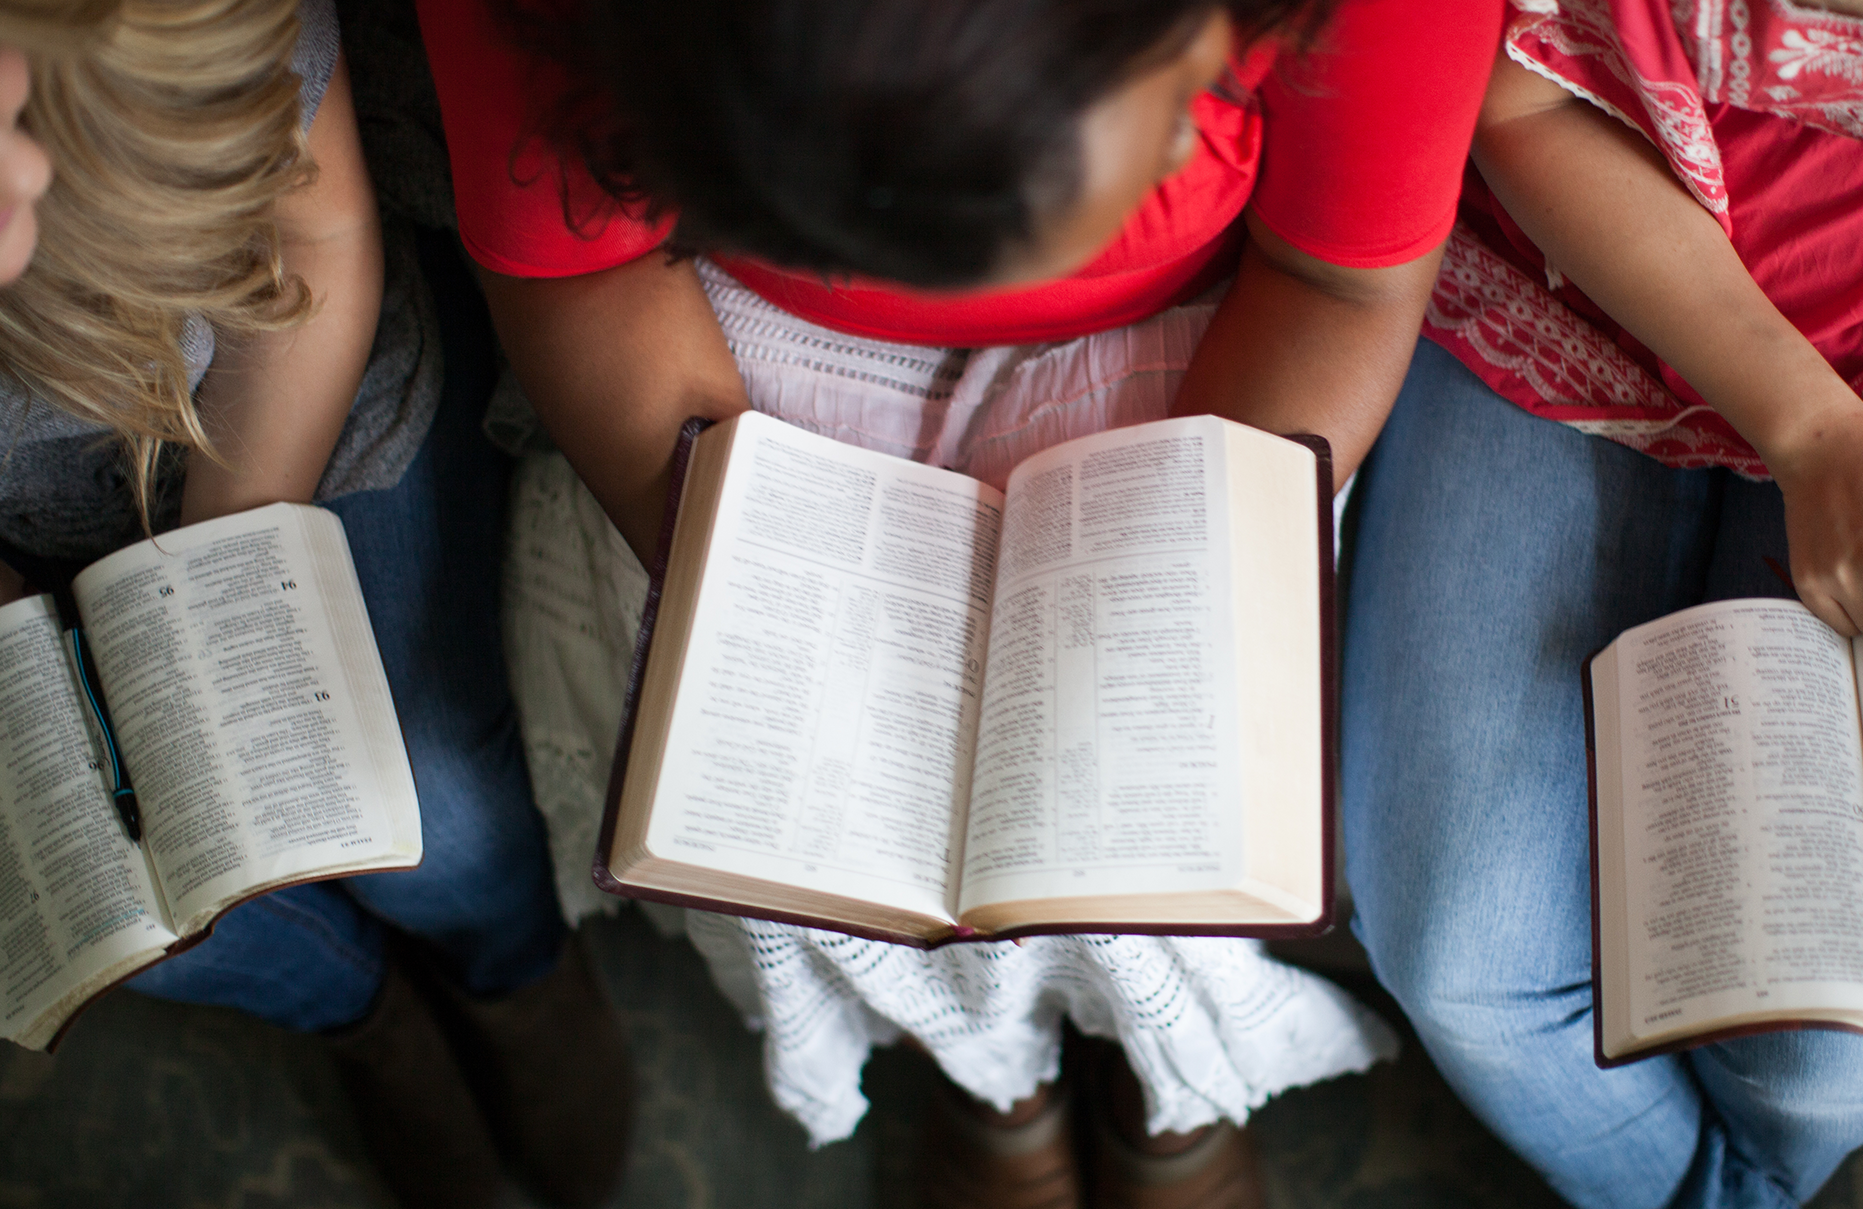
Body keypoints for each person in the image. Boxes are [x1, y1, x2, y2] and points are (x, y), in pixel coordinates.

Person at [412, 0, 1497, 1202]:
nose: (1196, 136)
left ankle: (1164, 1076)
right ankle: (993, 1077)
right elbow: (582, 269)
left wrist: (1167, 592)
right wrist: (771, 585)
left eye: (1203, 84)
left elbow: (1338, 281)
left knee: (1173, 799)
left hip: (1225, 355)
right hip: (722, 362)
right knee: (805, 814)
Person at [1340, 0, 1863, 1204]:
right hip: (1568, 288)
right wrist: (1806, 427)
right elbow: (1518, 89)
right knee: (1465, 969)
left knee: (1826, 1058)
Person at [0, 1, 630, 1204]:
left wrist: (204, 601)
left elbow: (318, 233)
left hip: (286, 408)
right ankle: (361, 1014)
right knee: (117, 923)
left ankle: (511, 970)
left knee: (437, 799)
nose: (21, 174)